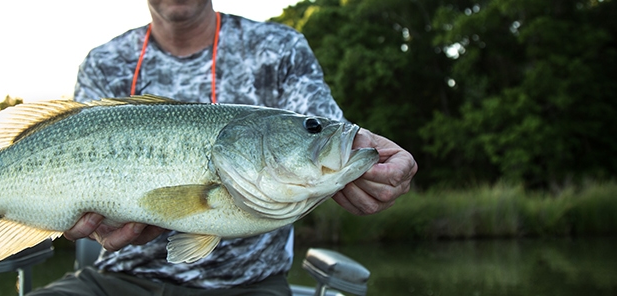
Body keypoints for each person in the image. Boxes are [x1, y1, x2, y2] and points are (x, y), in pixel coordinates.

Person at [30, 0, 417, 295]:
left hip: (252, 284)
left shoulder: (279, 47)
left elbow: (319, 127)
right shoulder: (104, 63)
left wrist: (372, 153)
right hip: (119, 280)